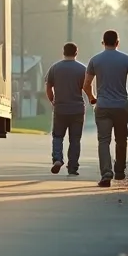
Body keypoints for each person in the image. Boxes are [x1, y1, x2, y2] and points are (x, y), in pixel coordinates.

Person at [83, 29, 128, 188]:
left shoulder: (95, 60)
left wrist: (92, 98)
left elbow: (86, 84)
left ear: (103, 42)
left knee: (103, 140)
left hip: (103, 105)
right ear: (117, 42)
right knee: (121, 139)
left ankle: (106, 173)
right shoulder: (126, 59)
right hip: (121, 106)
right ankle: (119, 170)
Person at [44, 42, 93, 176]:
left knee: (58, 136)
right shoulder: (82, 69)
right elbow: (87, 87)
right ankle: (73, 167)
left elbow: (48, 87)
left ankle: (58, 159)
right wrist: (91, 98)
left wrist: (53, 100)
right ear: (76, 53)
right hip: (77, 109)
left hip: (60, 108)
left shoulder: (54, 68)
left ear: (63, 52)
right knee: (75, 139)